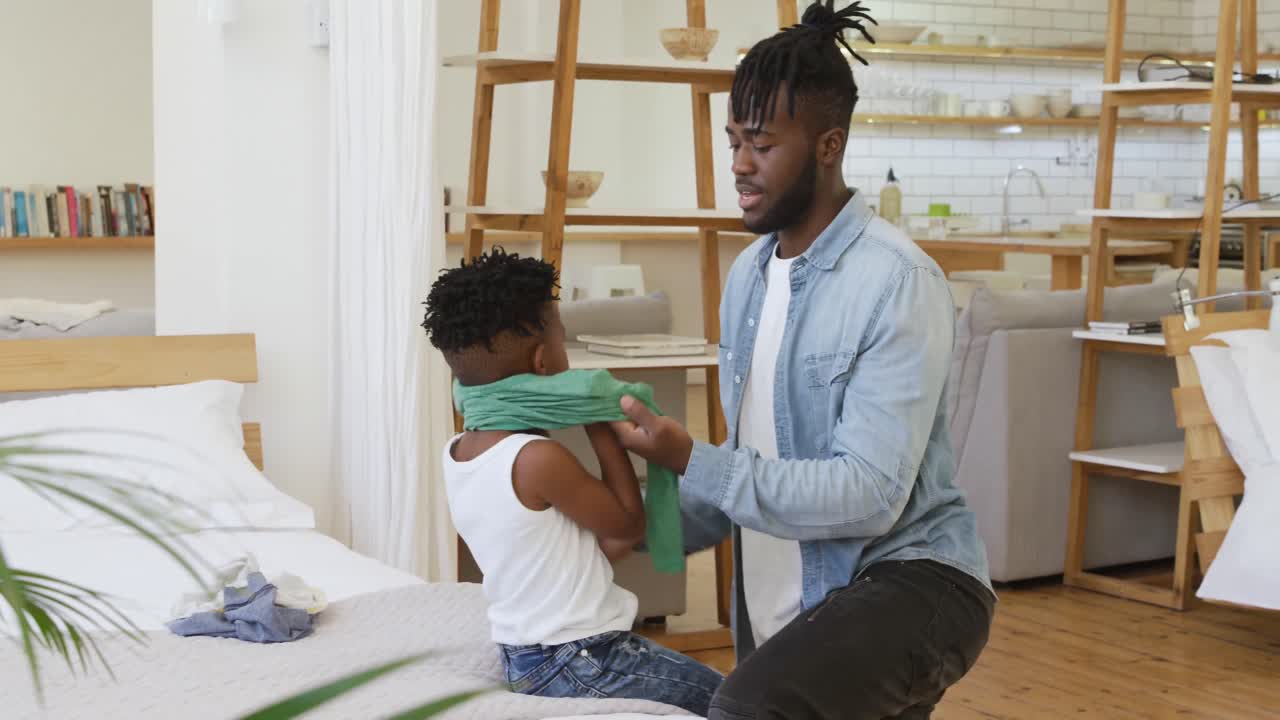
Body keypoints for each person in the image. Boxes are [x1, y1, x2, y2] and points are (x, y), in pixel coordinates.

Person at [609, 2, 996, 717]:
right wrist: (624, 526)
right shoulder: (749, 277)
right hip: (799, 603)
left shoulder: (897, 280)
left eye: (760, 143)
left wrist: (694, 458)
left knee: (747, 706)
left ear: (828, 145)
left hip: (916, 584)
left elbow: (870, 494)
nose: (739, 166)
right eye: (733, 142)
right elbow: (756, 466)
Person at [422, 248, 723, 717]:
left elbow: (592, 548)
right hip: (585, 661)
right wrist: (599, 418)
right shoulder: (536, 459)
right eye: (563, 338)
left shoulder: (458, 451)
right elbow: (627, 527)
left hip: (528, 659)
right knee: (739, 699)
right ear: (544, 362)